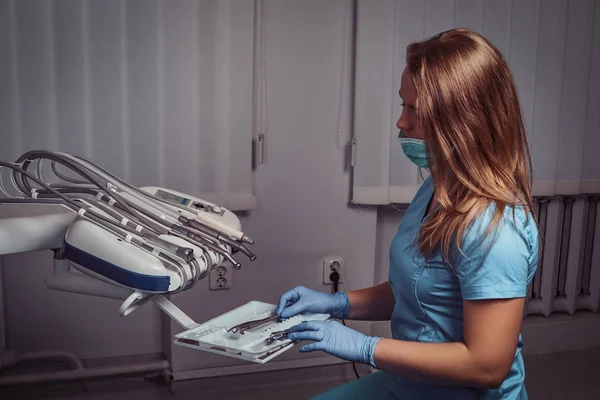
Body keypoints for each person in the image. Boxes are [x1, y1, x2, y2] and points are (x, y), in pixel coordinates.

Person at [276, 28, 539, 399]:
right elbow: (418, 289)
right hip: (412, 385)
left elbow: (488, 365)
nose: (401, 122)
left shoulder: (496, 231)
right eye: (403, 105)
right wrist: (337, 303)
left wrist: (366, 348)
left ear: (465, 121)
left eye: (414, 109)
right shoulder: (435, 189)